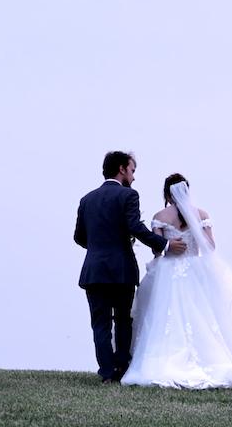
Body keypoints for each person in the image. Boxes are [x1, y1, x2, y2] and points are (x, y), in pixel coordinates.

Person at [123, 174, 232, 389]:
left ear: (167, 194)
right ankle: (212, 361)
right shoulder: (201, 214)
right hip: (195, 272)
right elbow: (210, 246)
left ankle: (164, 362)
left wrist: (170, 242)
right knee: (203, 318)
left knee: (164, 318)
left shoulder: (161, 215)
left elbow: (155, 249)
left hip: (167, 273)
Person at [74, 151, 188, 383]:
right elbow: (135, 227)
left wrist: (98, 247)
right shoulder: (128, 195)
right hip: (121, 270)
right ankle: (121, 369)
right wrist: (165, 244)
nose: (134, 177)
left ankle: (106, 373)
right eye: (132, 170)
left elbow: (79, 237)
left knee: (100, 323)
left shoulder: (86, 200)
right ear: (121, 169)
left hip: (94, 270)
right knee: (123, 320)